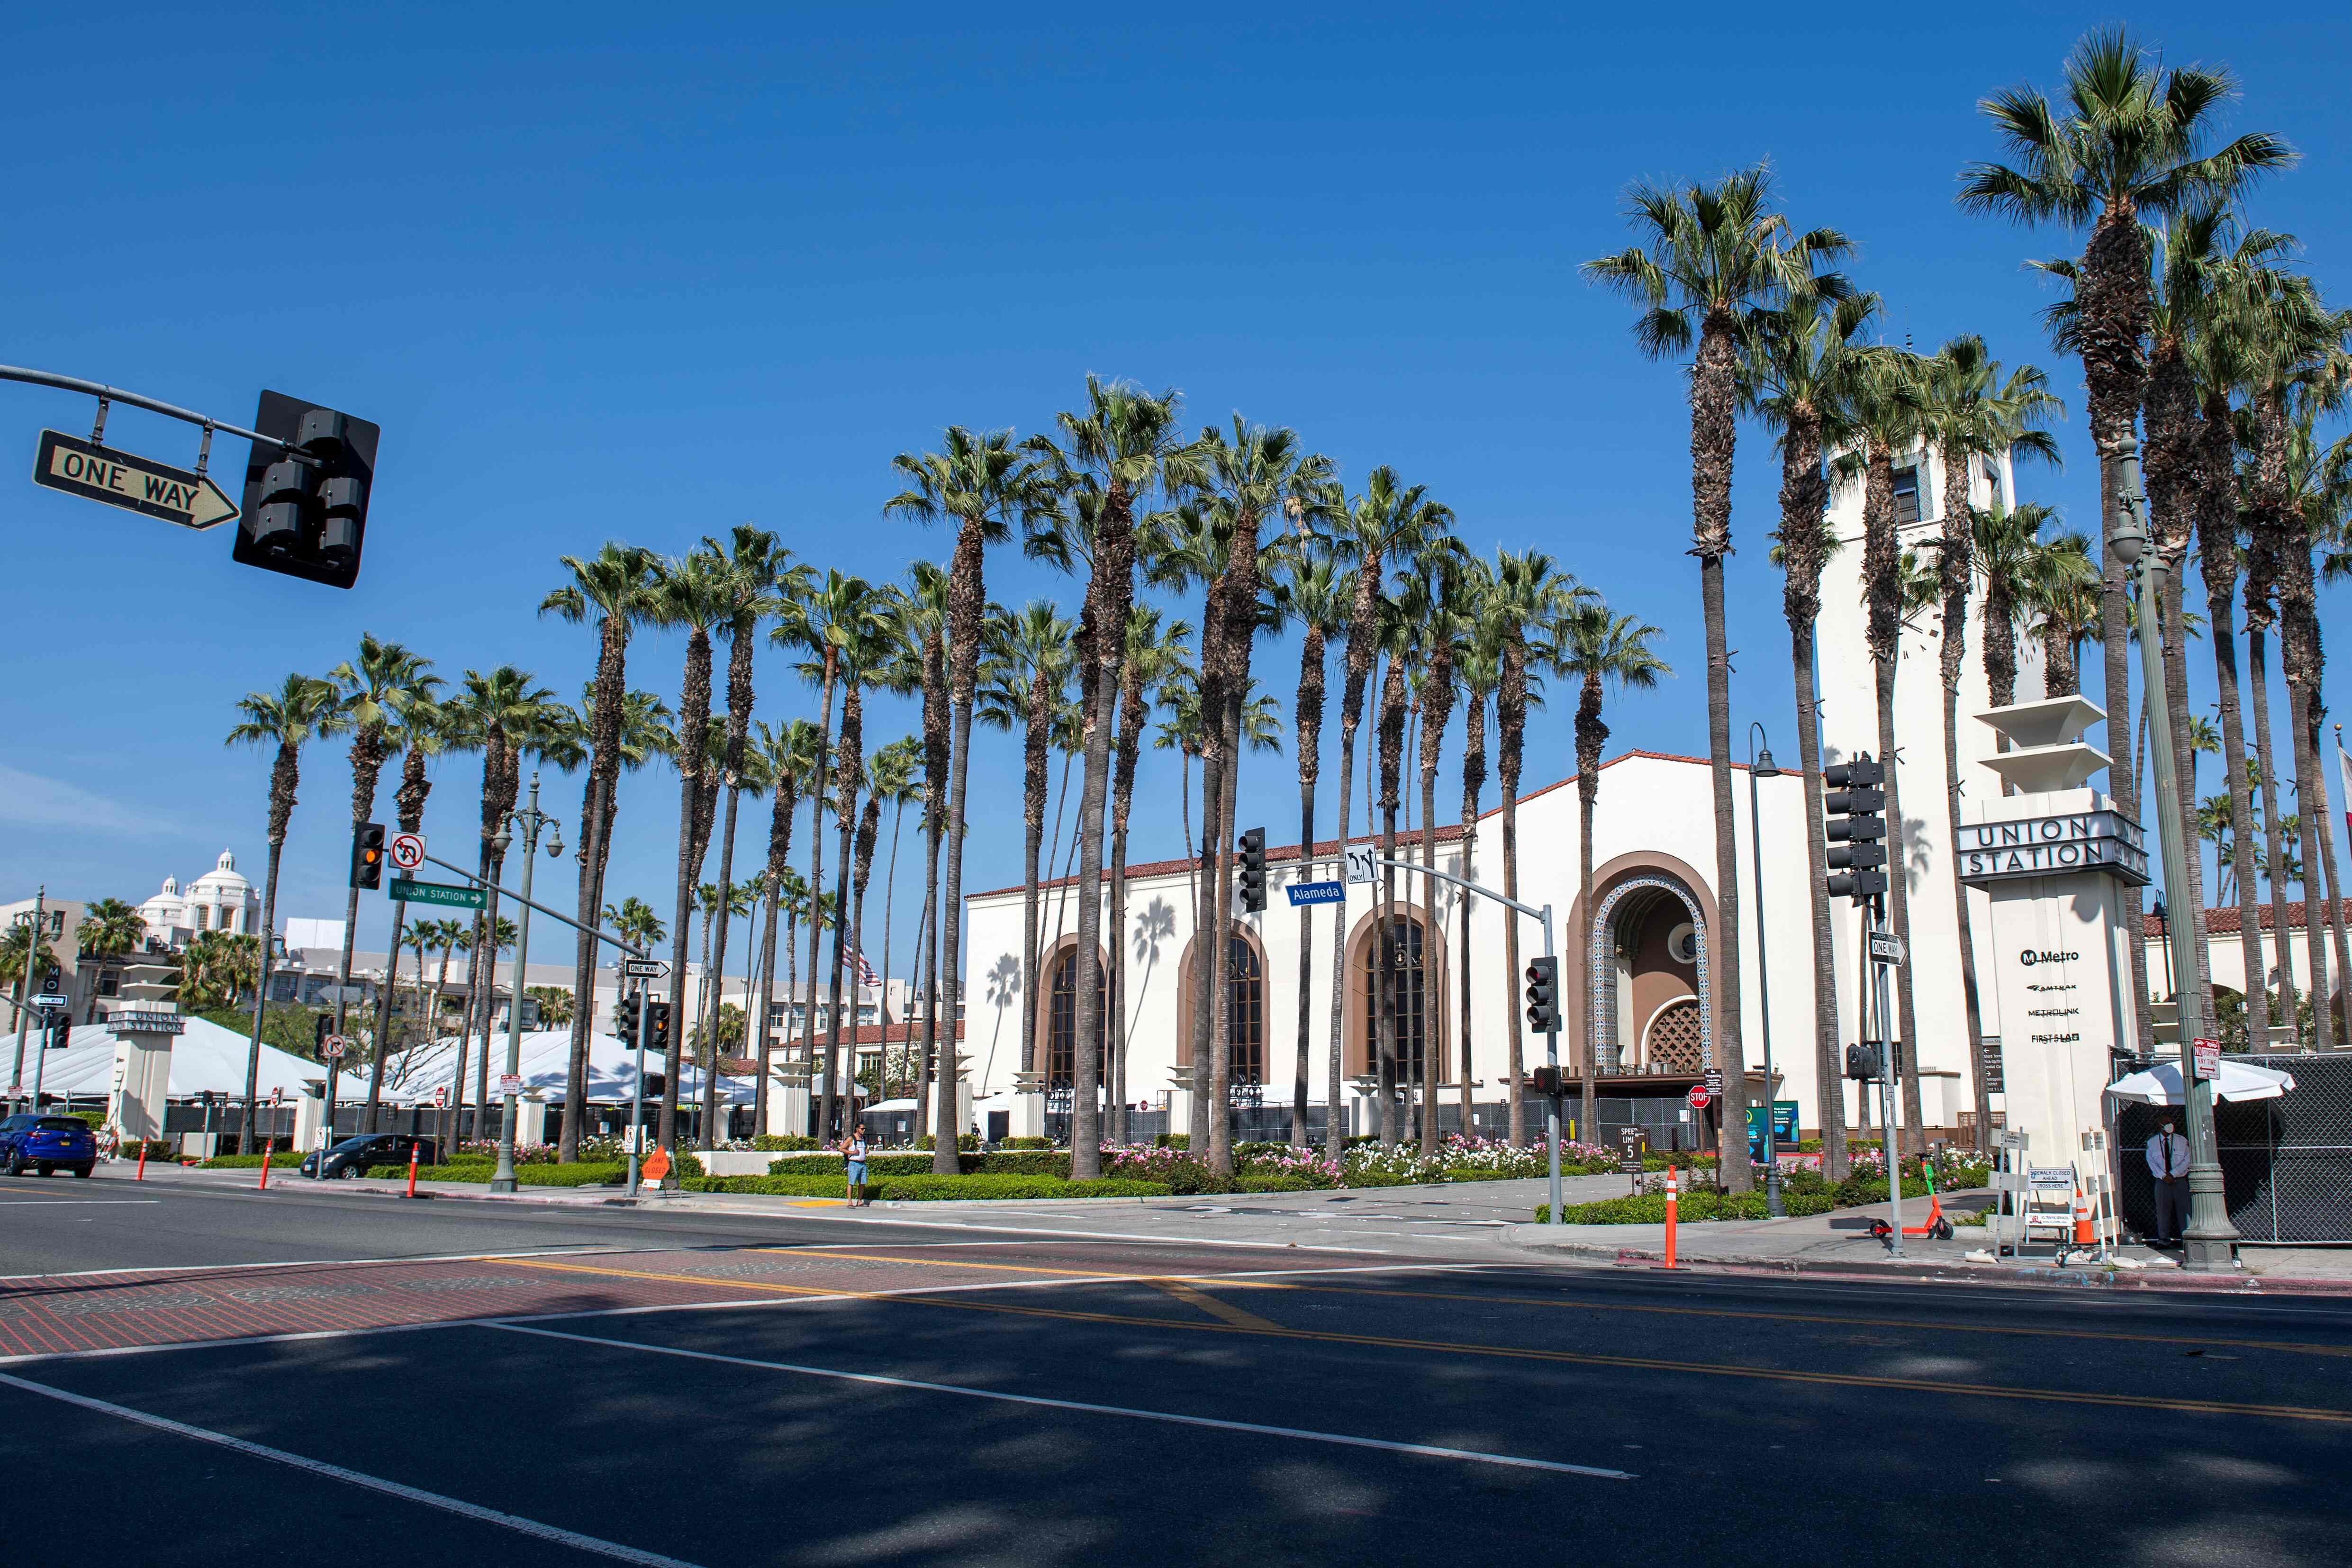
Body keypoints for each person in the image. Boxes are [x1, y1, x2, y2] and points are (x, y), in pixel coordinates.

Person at [2145, 1116, 2191, 1246]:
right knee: (2162, 1210)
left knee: (2185, 1210)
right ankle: (2164, 1239)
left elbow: (2188, 1159)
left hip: (2180, 1180)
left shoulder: (2182, 1141)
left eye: (2171, 1123)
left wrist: (2173, 1173)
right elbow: (2151, 1162)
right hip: (2162, 1181)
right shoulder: (2152, 1143)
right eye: (2166, 1123)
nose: (2170, 1125)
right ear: (2160, 1126)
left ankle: (2187, 1239)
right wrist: (2163, 1176)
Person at [842, 1126, 869, 1207]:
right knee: (851, 1183)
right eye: (862, 1129)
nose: (864, 1130)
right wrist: (852, 1153)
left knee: (862, 1183)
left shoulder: (864, 1139)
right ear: (857, 1129)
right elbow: (842, 1149)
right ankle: (850, 1202)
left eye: (865, 1129)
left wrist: (866, 1151)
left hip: (863, 1164)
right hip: (854, 1163)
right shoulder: (851, 1139)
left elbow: (864, 1149)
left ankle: (860, 1201)